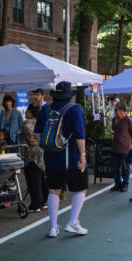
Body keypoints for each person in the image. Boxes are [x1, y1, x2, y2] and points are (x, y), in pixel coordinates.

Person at [34, 81, 88, 238]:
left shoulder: (46, 110)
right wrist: (82, 155)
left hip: (51, 158)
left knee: (54, 190)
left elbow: (37, 135)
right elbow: (80, 136)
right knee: (80, 188)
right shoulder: (75, 110)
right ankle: (73, 222)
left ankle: (53, 227)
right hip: (71, 158)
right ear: (69, 95)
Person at [21, 105, 46, 210]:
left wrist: (33, 142)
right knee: (41, 178)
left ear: (30, 112)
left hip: (31, 154)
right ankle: (44, 201)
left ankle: (36, 203)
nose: (25, 113)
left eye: (27, 111)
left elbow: (30, 140)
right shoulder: (40, 122)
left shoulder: (26, 124)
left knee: (33, 180)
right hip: (42, 152)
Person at [110, 101, 132, 192]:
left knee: (125, 167)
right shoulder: (114, 119)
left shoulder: (129, 120)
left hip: (125, 147)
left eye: (116, 109)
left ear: (122, 110)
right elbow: (114, 130)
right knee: (115, 167)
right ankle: (117, 183)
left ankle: (125, 183)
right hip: (115, 146)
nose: (115, 111)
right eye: (114, 109)